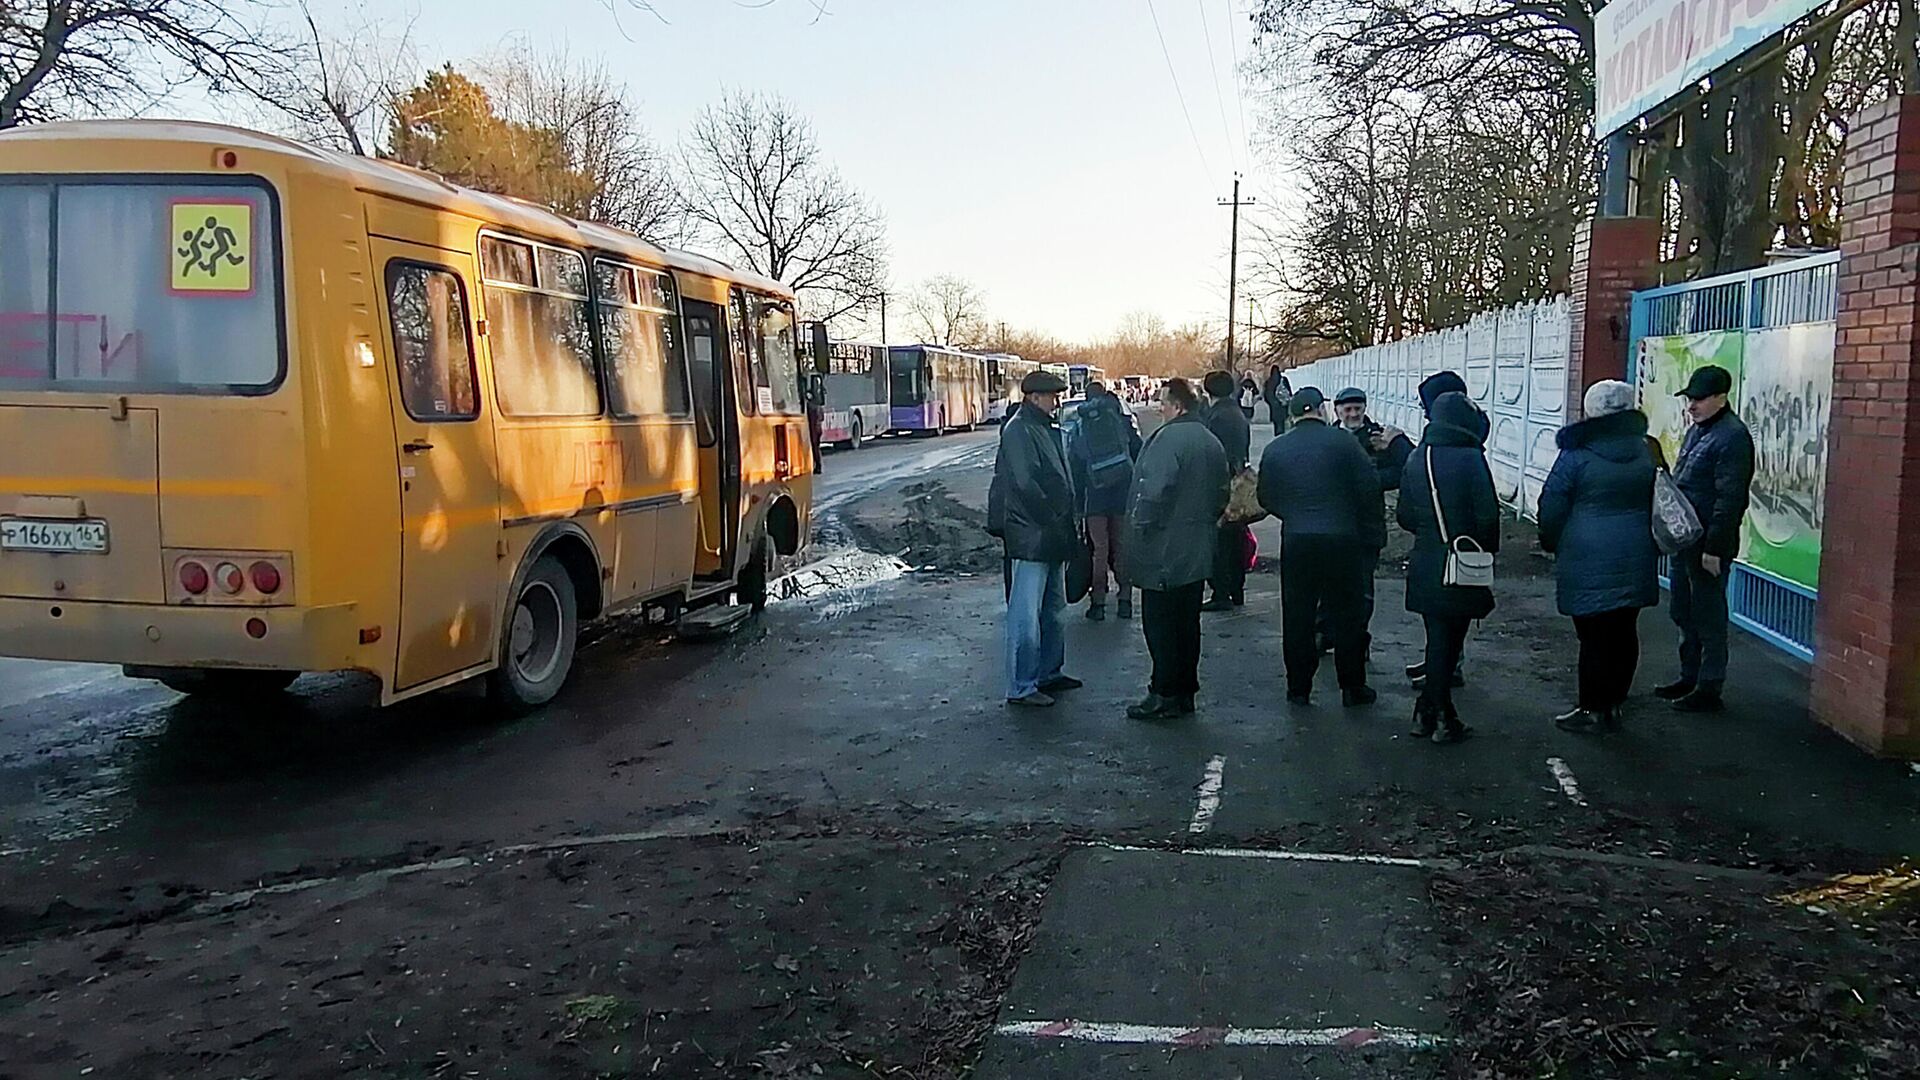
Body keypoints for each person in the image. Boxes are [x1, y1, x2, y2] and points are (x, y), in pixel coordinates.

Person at [1537, 380, 1660, 733]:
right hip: (1637, 550)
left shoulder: (1577, 453)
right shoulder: (1646, 448)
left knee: (1593, 636)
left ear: (1591, 411)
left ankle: (1592, 708)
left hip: (1586, 553)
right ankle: (1614, 703)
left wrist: (1550, 540)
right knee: (1624, 630)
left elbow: (1552, 505)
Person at [1256, 387, 1384, 707]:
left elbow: (1266, 497)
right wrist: (1369, 535)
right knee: (1347, 615)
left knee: (1297, 615)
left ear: (1294, 414)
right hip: (1343, 539)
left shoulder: (1276, 449)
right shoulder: (1345, 443)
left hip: (1298, 540)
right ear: (1322, 411)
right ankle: (1353, 687)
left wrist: (1295, 513)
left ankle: (1298, 687)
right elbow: (1369, 490)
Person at [1397, 390, 1499, 743]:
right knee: (1449, 642)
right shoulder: (1471, 458)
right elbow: (1487, 515)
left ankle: (1428, 713)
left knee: (1437, 640)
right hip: (1461, 560)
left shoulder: (1416, 458)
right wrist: (1482, 550)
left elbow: (1404, 515)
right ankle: (1440, 716)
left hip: (1426, 560)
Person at [1125, 377, 1229, 719]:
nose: (1160, 408)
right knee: (1187, 624)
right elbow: (1221, 494)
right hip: (1196, 549)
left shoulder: (1168, 440)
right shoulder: (1210, 440)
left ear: (1179, 406)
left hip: (1164, 552)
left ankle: (1163, 692)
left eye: (1164, 403)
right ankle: (1185, 691)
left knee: (1160, 625)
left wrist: (1141, 525)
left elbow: (1154, 491)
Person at [1658, 364, 1755, 713]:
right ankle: (1689, 676)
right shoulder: (1700, 431)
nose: (1691, 405)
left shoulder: (1731, 437)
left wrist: (1714, 548)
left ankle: (1709, 687)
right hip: (1686, 538)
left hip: (1707, 545)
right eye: (1689, 398)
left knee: (1708, 614)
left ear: (1720, 397)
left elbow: (1730, 499)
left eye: (1698, 399)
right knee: (1683, 609)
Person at [987, 369, 1083, 708]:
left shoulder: (1039, 428)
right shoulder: (1020, 431)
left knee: (1053, 609)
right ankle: (1023, 685)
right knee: (1026, 614)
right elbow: (1026, 484)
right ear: (1034, 397)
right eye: (1052, 396)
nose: (1057, 402)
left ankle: (1048, 672)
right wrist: (1054, 516)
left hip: (1047, 532)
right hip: (1033, 534)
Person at [1404, 370, 1487, 691]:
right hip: (1458, 542)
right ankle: (1439, 665)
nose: (1425, 412)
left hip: (1444, 544)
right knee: (1446, 620)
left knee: (1447, 620)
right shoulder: (1468, 432)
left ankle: (1446, 670)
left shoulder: (1456, 441)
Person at [1324, 387, 1414, 652]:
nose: (1353, 414)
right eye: (1347, 410)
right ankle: (1326, 633)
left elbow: (1402, 471)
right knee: (1328, 584)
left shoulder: (1378, 437)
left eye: (1358, 409)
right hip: (1333, 524)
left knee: (1362, 586)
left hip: (1366, 525)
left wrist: (1370, 481)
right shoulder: (1329, 437)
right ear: (1337, 410)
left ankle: (1358, 639)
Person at [1069, 381, 1143, 621]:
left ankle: (1098, 602)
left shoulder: (1080, 427)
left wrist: (1078, 505)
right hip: (1122, 492)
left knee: (1099, 550)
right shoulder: (1120, 420)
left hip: (1095, 496)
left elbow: (1075, 466)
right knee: (1121, 545)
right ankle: (1125, 600)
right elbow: (1137, 450)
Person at [1199, 370, 1253, 612]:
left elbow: (1211, 453)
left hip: (1222, 484)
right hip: (1238, 481)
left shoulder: (1216, 417)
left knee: (1220, 542)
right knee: (1236, 538)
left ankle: (1221, 593)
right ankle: (1236, 589)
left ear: (1207, 391)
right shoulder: (1237, 414)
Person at [1263, 366, 1292, 435]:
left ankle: (1277, 435)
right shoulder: (1284, 380)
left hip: (1274, 407)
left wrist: (1271, 402)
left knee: (1276, 423)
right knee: (1282, 422)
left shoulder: (1269, 381)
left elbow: (1266, 394)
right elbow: (1289, 391)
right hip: (1282, 405)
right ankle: (1281, 434)